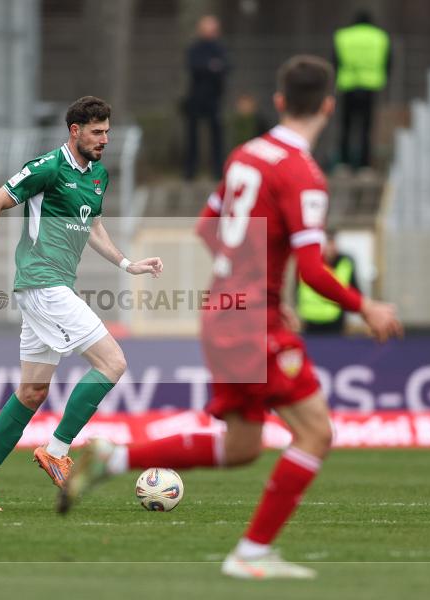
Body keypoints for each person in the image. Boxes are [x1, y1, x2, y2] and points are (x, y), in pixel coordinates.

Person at [59, 57, 402, 579]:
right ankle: (251, 553)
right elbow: (312, 269)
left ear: (280, 101)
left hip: (222, 311)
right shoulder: (303, 173)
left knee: (242, 445)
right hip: (251, 321)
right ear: (329, 107)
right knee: (315, 433)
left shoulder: (245, 155)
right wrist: (366, 306)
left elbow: (206, 227)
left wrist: (254, 280)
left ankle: (115, 457)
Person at [0, 96, 163, 511]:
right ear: (75, 131)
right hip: (42, 283)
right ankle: (57, 450)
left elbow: (94, 226)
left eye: (107, 132)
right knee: (113, 363)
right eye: (97, 132)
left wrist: (127, 263)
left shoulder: (98, 175)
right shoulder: (47, 167)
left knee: (32, 392)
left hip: (52, 286)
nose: (104, 139)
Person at [333, 10, 391, 169]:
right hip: (370, 86)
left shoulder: (343, 36)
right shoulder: (380, 37)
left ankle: (343, 163)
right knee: (367, 128)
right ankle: (365, 165)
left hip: (348, 85)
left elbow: (335, 61)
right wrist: (384, 78)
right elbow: (388, 61)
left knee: (346, 127)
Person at [183, 15, 229, 180]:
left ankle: (218, 170)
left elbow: (226, 67)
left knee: (217, 135)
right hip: (196, 98)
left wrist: (210, 67)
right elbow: (195, 67)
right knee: (192, 136)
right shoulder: (195, 48)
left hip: (215, 98)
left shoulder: (220, 48)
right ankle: (190, 171)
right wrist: (212, 67)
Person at [296, 229, 360, 333]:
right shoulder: (308, 262)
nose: (330, 248)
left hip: (335, 322)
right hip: (309, 321)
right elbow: (297, 288)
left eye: (332, 243)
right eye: (327, 243)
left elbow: (355, 290)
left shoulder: (345, 263)